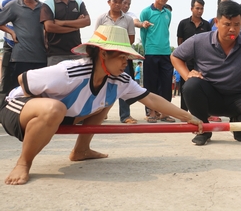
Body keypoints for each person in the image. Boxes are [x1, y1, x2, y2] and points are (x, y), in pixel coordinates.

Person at [0, 25, 202, 185]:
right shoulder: (70, 72)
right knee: (55, 108)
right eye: (122, 56)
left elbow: (151, 99)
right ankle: (23, 163)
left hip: (62, 115)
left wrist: (188, 117)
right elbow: (23, 80)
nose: (126, 62)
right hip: (18, 109)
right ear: (103, 54)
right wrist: (43, 111)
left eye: (127, 57)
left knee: (107, 97)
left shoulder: (119, 80)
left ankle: (81, 150)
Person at [171, 0, 241, 145]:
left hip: (240, 96)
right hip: (210, 96)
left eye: (237, 25)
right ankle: (204, 129)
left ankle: (238, 126)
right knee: (191, 85)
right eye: (227, 24)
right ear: (217, 22)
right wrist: (187, 75)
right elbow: (175, 56)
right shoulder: (199, 41)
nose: (232, 29)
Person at [95, 0, 137, 124]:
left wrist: (119, 50)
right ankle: (98, 114)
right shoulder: (102, 18)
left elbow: (131, 39)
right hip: (105, 57)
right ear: (109, 2)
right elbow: (97, 37)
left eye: (121, 2)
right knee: (101, 85)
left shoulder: (128, 20)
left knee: (122, 85)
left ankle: (125, 115)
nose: (118, 4)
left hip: (120, 58)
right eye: (115, 1)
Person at [0, 0, 47, 89]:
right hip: (21, 57)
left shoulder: (43, 7)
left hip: (41, 57)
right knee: (18, 90)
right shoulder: (13, 5)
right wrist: (11, 32)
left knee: (39, 89)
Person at [140, 0, 175, 123]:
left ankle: (165, 113)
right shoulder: (146, 12)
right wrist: (146, 49)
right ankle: (152, 112)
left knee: (166, 84)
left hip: (166, 52)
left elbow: (165, 30)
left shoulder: (168, 13)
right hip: (151, 53)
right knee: (151, 84)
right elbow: (143, 33)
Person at [40, 0, 91, 65]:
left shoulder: (78, 3)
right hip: (55, 54)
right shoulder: (48, 4)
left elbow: (87, 21)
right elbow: (50, 27)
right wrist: (75, 26)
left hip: (76, 52)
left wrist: (61, 23)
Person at [176, 0, 211, 111]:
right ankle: (184, 112)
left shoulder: (206, 25)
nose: (200, 11)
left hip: (201, 62)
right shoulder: (183, 23)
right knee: (185, 86)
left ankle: (201, 111)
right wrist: (182, 59)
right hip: (186, 61)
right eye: (197, 8)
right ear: (191, 8)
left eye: (202, 8)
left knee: (201, 86)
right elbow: (180, 42)